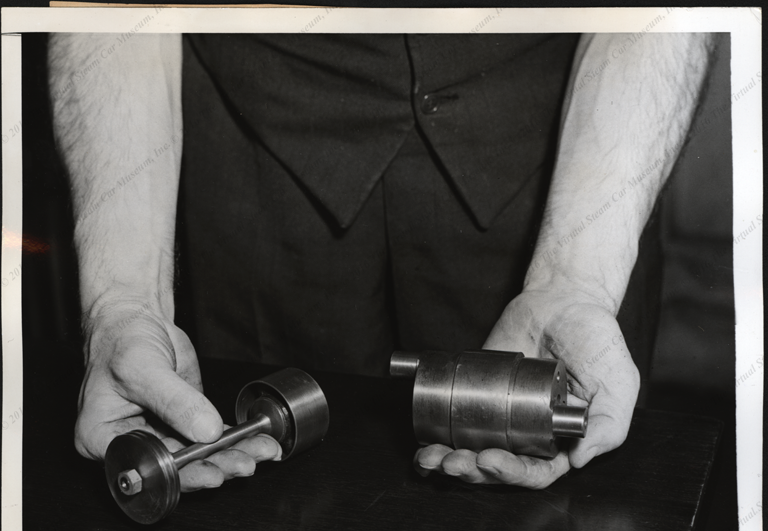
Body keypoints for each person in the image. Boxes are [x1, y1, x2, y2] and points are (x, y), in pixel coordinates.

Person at [48, 30, 713, 493]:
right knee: (274, 512)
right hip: (256, 154)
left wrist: (577, 279)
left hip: (569, 156)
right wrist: (124, 299)